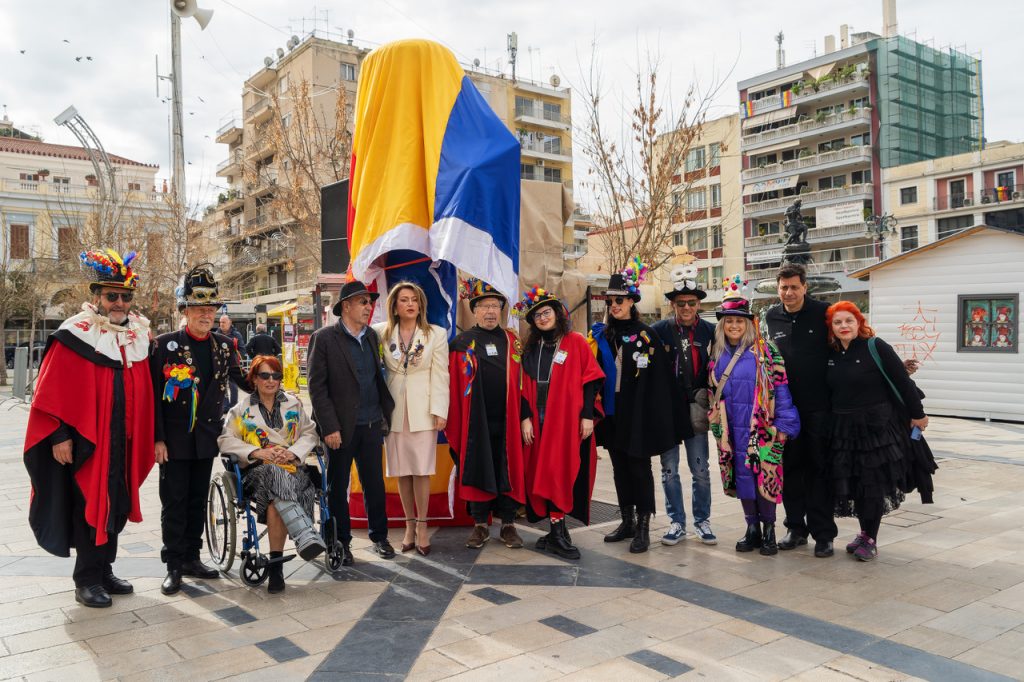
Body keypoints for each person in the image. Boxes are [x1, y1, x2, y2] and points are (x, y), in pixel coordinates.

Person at [23, 249, 155, 608]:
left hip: (124, 438)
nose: (119, 303)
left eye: (125, 296)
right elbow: (49, 391)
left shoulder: (137, 335)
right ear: (96, 297)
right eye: (112, 296)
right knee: (89, 504)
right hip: (87, 438)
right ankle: (86, 579)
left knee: (116, 503)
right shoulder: (76, 334)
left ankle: (104, 569)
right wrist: (59, 435)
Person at [152, 265, 249, 596]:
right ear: (185, 311)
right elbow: (153, 398)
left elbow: (241, 380)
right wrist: (158, 438)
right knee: (174, 502)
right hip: (175, 441)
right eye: (199, 309)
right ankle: (173, 565)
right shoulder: (164, 346)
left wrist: (271, 381)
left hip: (206, 439)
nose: (206, 315)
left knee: (197, 501)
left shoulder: (224, 345)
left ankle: (192, 557)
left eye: (211, 309)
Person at [825, 301, 934, 562]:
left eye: (848, 321)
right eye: (837, 322)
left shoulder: (876, 346)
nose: (843, 326)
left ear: (859, 322)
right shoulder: (831, 354)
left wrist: (918, 415)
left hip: (876, 428)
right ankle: (863, 533)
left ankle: (870, 538)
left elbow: (902, 382)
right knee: (854, 483)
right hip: (843, 429)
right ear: (831, 328)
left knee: (871, 483)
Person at [591, 260, 684, 554]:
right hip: (612, 414)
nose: (614, 305)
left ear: (632, 301)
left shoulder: (646, 335)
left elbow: (659, 381)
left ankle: (644, 525)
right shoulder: (603, 335)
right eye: (610, 301)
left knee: (639, 468)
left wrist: (652, 417)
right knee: (620, 469)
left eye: (619, 300)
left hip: (638, 416)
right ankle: (627, 520)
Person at [709, 276, 801, 556]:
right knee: (742, 479)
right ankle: (752, 528)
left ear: (749, 323)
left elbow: (781, 387)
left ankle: (770, 529)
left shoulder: (766, 351)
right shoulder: (717, 353)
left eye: (739, 320)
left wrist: (785, 424)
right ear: (722, 325)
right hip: (732, 430)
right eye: (729, 321)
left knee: (767, 477)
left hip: (763, 428)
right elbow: (713, 391)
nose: (734, 326)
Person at [307, 280, 396, 565]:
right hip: (340, 429)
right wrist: (329, 427)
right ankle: (340, 541)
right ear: (346, 306)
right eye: (363, 302)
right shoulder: (324, 338)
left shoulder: (371, 336)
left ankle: (379, 536)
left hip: (371, 423)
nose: (369, 308)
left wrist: (383, 413)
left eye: (369, 303)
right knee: (337, 487)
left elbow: (377, 377)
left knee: (374, 484)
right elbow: (317, 388)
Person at [218, 355, 324, 593]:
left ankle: (276, 568)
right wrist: (257, 452)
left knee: (276, 503)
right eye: (264, 375)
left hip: (293, 468)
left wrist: (293, 453)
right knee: (270, 470)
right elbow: (225, 440)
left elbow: (310, 434)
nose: (271, 380)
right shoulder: (241, 409)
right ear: (254, 379)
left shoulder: (293, 404)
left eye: (276, 376)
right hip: (257, 472)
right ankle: (304, 533)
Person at [516, 287, 604, 560]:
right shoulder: (531, 347)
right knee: (542, 472)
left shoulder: (575, 342)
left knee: (560, 472)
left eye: (546, 312)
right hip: (538, 420)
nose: (542, 318)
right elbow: (519, 385)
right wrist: (525, 417)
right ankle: (556, 530)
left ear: (557, 313)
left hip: (566, 420)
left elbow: (590, 380)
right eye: (537, 315)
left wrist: (587, 415)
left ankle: (557, 532)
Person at [761, 263, 838, 557]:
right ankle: (795, 527)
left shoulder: (824, 313)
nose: (789, 292)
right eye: (784, 287)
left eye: (794, 287)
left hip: (819, 407)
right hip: (785, 411)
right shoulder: (771, 315)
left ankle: (824, 534)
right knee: (790, 470)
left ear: (805, 287)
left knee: (819, 470)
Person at [445, 278, 525, 550]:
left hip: (508, 421)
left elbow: (524, 383)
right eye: (484, 306)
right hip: (474, 422)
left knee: (508, 467)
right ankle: (480, 525)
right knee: (478, 466)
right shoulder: (461, 343)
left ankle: (508, 524)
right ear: (474, 310)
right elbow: (453, 387)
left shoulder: (512, 342)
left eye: (495, 305)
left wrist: (524, 416)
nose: (491, 311)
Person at [371, 282, 449, 556]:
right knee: (401, 469)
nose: (410, 304)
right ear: (394, 305)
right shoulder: (381, 332)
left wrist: (440, 409)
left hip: (424, 409)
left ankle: (423, 526)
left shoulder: (435, 334)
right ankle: (408, 525)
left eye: (414, 299)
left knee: (421, 468)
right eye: (403, 300)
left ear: (421, 305)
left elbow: (441, 374)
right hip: (392, 409)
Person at [652, 264, 717, 546]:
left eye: (691, 303)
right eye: (681, 303)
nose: (687, 307)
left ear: (699, 303)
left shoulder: (712, 331)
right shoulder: (658, 331)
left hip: (697, 406)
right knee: (669, 470)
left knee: (700, 469)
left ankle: (702, 520)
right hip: (667, 409)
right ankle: (676, 521)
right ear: (673, 304)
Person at [219, 314, 247, 414]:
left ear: (230, 323)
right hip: (220, 364)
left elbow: (242, 349)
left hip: (233, 364)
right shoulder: (216, 334)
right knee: (222, 385)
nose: (221, 324)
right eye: (220, 322)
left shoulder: (236, 334)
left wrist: (237, 357)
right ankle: (225, 406)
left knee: (233, 385)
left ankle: (234, 405)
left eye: (224, 322)